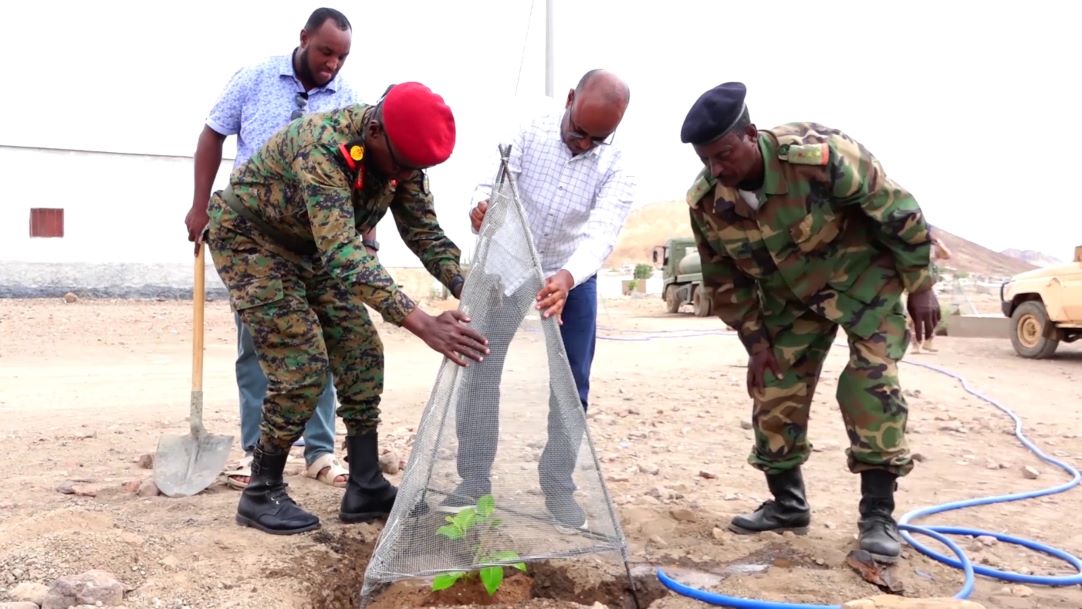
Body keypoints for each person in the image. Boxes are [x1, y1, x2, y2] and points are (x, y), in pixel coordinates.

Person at [205, 81, 489, 535]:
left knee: (361, 348)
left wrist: (468, 285)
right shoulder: (324, 148)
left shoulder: (402, 159)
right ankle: (261, 490)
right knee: (302, 364)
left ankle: (365, 485)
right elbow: (342, 253)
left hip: (310, 246)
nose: (406, 176)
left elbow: (425, 235)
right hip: (250, 239)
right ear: (375, 132)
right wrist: (422, 323)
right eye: (402, 165)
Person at [679, 82, 941, 563]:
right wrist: (757, 345)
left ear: (750, 135)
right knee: (774, 387)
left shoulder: (820, 158)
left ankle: (878, 516)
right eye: (706, 161)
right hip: (792, 296)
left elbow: (896, 209)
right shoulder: (707, 202)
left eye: (724, 155)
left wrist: (921, 284)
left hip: (865, 279)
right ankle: (787, 506)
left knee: (869, 385)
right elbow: (724, 282)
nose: (718, 170)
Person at [184, 7, 372, 490]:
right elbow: (212, 135)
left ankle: (320, 451)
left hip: (319, 239)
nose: (332, 63)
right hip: (256, 241)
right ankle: (256, 450)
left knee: (324, 343)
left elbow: (361, 176)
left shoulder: (348, 98)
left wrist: (366, 235)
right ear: (304, 38)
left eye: (342, 56)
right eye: (325, 51)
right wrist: (199, 206)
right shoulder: (256, 77)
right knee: (260, 348)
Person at [442, 69, 635, 531]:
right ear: (569, 99)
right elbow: (490, 185)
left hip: (572, 273)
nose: (585, 144)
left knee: (571, 384)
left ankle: (558, 486)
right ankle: (472, 482)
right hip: (507, 262)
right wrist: (482, 208)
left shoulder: (620, 165)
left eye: (598, 139)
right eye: (579, 132)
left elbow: (601, 233)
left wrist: (566, 279)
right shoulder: (528, 127)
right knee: (480, 365)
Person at [910, 230, 951, 354]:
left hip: (928, 288)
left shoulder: (931, 252)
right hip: (916, 287)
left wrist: (939, 243)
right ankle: (916, 345)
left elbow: (947, 255)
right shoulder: (914, 252)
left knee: (935, 314)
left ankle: (928, 341)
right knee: (915, 317)